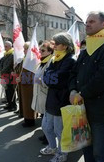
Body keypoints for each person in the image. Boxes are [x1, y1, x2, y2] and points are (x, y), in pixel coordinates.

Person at [69, 11, 104, 162]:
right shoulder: (86, 50)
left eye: (92, 21)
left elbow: (103, 78)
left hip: (102, 113)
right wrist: (72, 90)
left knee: (101, 154)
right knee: (88, 150)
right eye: (87, 21)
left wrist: (82, 94)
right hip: (83, 110)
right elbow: (73, 72)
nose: (87, 24)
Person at [40, 33, 76, 162]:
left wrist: (49, 76)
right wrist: (50, 76)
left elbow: (57, 79)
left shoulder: (70, 60)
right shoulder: (56, 58)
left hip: (61, 100)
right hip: (52, 99)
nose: (53, 46)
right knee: (46, 126)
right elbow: (47, 75)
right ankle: (52, 147)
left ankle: (62, 154)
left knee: (59, 131)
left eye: (56, 44)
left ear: (65, 45)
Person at [31, 41, 53, 143]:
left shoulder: (51, 61)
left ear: (50, 51)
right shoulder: (43, 61)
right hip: (40, 93)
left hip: (45, 93)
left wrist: (41, 82)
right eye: (40, 50)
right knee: (44, 117)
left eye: (43, 50)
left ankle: (49, 139)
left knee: (47, 118)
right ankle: (45, 135)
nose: (40, 51)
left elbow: (52, 79)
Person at [0, 41, 17, 111]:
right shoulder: (6, 54)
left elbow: (8, 65)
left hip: (10, 75)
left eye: (6, 46)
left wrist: (2, 71)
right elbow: (2, 63)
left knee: (11, 91)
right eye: (4, 46)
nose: (5, 47)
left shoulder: (12, 54)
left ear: (10, 46)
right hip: (5, 75)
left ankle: (13, 106)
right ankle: (9, 104)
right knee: (7, 90)